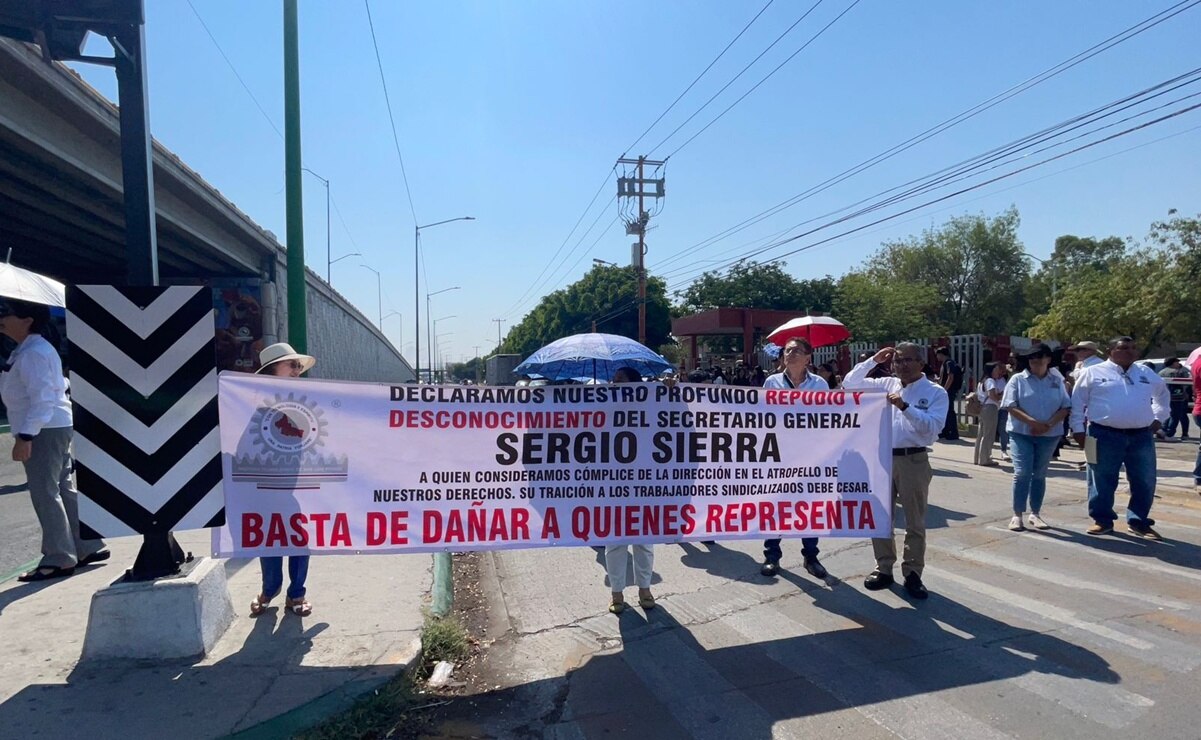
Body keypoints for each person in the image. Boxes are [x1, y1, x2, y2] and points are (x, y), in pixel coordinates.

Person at [0, 299, 109, 582]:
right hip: (53, 425)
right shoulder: (32, 349)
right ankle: (86, 546)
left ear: (27, 320)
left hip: (42, 429)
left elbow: (43, 397)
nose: (2, 319)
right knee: (61, 487)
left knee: (45, 492)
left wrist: (26, 436)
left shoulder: (34, 352)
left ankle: (58, 558)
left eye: (6, 314)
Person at [843, 343, 948, 600]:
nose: (902, 365)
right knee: (880, 517)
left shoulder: (935, 392)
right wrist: (873, 361)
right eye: (898, 361)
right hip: (881, 459)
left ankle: (913, 572)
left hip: (913, 460)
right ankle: (884, 567)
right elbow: (850, 384)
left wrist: (905, 407)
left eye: (908, 360)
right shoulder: (886, 384)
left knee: (914, 520)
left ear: (921, 363)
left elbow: (932, 429)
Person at [1070, 337, 1170, 539]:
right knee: (1099, 479)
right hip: (1099, 433)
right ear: (1110, 351)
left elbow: (1162, 395)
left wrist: (1159, 418)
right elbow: (1077, 402)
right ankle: (1102, 520)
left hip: (1141, 436)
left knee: (1145, 480)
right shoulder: (1092, 372)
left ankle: (1139, 522)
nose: (1130, 352)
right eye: (1123, 348)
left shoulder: (1145, 373)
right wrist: (1077, 430)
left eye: (1133, 348)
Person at [250, 342, 317, 617]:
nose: (297, 371)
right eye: (292, 365)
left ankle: (296, 593)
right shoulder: (252, 403)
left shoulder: (306, 401)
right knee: (269, 539)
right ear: (271, 371)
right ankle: (271, 588)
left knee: (300, 540)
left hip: (299, 485)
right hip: (265, 485)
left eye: (299, 367)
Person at [759, 337, 828, 580]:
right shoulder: (772, 382)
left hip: (810, 456)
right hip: (779, 454)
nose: (791, 354)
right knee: (776, 504)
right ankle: (772, 555)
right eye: (788, 350)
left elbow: (828, 418)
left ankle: (811, 556)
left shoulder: (819, 384)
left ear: (809, 357)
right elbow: (763, 414)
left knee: (809, 506)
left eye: (797, 350)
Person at [1000, 344, 1071, 531]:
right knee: (1022, 473)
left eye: (1041, 356)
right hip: (1021, 433)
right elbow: (1010, 405)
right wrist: (1034, 423)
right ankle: (1017, 515)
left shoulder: (1056, 380)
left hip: (1049, 434)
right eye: (1032, 357)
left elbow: (1065, 406)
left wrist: (1047, 425)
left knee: (1039, 474)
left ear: (1049, 359)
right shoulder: (1017, 379)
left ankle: (1035, 513)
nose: (1036, 360)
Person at [604, 365, 654, 613]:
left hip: (643, 484)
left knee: (644, 540)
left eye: (620, 380)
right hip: (612, 484)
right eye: (613, 381)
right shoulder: (603, 408)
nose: (615, 385)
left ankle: (645, 588)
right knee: (615, 541)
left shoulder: (651, 406)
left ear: (635, 384)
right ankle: (617, 593)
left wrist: (670, 391)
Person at [973, 362, 1005, 466]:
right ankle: (985, 458)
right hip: (990, 408)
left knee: (981, 433)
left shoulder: (982, 381)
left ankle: (977, 458)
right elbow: (992, 396)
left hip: (983, 408)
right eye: (996, 369)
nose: (998, 372)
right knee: (989, 434)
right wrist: (1000, 398)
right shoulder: (990, 381)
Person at [1158, 357, 1191, 440]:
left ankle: (1163, 431)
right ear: (1173, 363)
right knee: (1175, 416)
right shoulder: (1177, 372)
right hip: (1177, 397)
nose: (1178, 364)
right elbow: (1184, 384)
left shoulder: (1161, 372)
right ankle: (1170, 434)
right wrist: (1185, 393)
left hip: (1164, 396)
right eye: (1177, 362)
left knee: (1167, 414)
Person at [936, 347, 964, 440]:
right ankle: (945, 431)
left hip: (949, 391)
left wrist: (944, 390)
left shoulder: (948, 363)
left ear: (941, 354)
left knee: (949, 411)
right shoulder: (947, 363)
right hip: (948, 390)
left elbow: (950, 377)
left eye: (937, 354)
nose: (937, 356)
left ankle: (953, 432)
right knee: (945, 411)